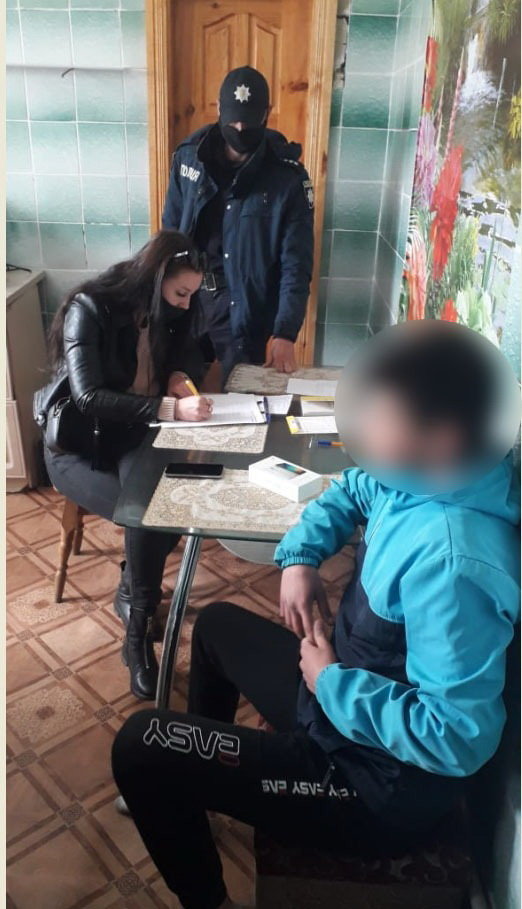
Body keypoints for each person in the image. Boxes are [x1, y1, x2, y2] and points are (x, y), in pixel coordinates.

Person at [111, 324, 520, 909]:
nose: (367, 432)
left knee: (140, 745)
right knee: (218, 626)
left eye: (384, 419)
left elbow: (457, 738)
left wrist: (330, 683)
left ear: (444, 436)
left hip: (372, 783)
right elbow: (354, 488)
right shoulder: (431, 477)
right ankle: (199, 785)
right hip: (339, 707)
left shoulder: (453, 564)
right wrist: (300, 558)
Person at [44, 230, 214, 701]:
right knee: (147, 513)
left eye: (192, 295)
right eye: (180, 293)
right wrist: (168, 407)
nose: (185, 304)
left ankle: (130, 593)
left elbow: (189, 352)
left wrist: (178, 375)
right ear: (156, 278)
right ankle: (137, 639)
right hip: (82, 446)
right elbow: (89, 397)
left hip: (136, 435)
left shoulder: (169, 311)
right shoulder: (89, 308)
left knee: (166, 504)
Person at [162, 65, 315, 380]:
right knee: (179, 390)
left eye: (248, 121)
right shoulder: (189, 159)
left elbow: (296, 264)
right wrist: (161, 301)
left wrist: (285, 333)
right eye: (233, 122)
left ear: (266, 114)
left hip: (246, 309)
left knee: (245, 398)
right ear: (219, 109)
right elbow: (169, 234)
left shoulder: (286, 179)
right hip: (189, 301)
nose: (241, 128)